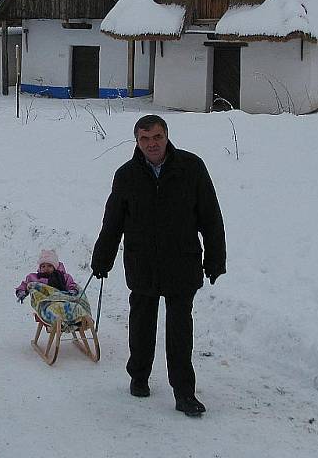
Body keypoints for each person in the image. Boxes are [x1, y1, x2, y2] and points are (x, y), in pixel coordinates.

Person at [90, 114, 226, 417]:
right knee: (141, 323)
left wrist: (215, 258)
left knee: (180, 330)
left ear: (166, 136)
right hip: (142, 263)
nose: (152, 144)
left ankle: (184, 393)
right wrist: (102, 258)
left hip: (182, 261)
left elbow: (210, 216)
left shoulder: (191, 168)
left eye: (157, 137)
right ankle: (139, 376)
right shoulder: (126, 175)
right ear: (137, 141)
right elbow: (113, 221)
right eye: (144, 139)